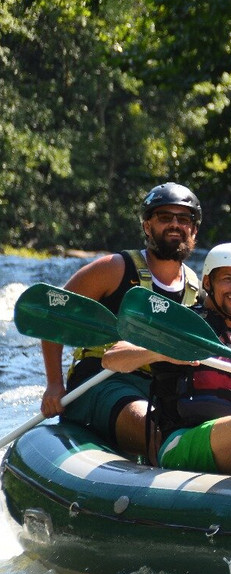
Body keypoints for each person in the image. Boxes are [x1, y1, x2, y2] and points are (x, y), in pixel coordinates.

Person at [39, 182, 202, 456]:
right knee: (152, 431)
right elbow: (55, 316)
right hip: (102, 379)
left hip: (158, 389)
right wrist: (54, 383)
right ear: (147, 226)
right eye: (165, 217)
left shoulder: (195, 287)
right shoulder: (114, 268)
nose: (175, 224)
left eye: (184, 218)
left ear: (193, 229)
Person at [102, 242, 231, 475]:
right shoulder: (179, 324)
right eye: (228, 279)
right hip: (181, 444)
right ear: (207, 283)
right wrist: (163, 350)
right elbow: (111, 358)